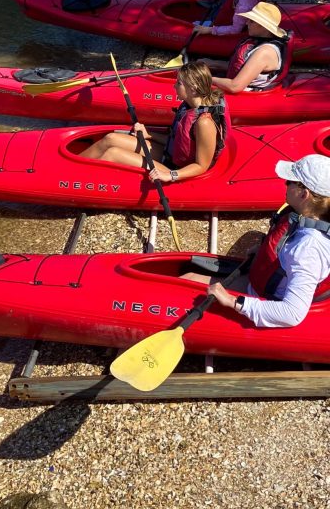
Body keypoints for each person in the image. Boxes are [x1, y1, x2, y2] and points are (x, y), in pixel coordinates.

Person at [196, 155, 330, 328]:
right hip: (262, 284)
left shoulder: (308, 248)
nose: (285, 183)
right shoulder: (312, 221)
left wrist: (232, 301)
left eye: (290, 181)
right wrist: (265, 251)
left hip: (264, 301)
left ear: (304, 194)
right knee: (189, 277)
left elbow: (292, 313)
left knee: (188, 282)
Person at [80, 61, 230, 184]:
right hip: (170, 154)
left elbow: (201, 166)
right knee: (110, 139)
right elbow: (179, 141)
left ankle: (80, 181)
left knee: (112, 154)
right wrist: (149, 135)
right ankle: (74, 167)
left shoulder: (204, 123)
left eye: (179, 83)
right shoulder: (190, 105)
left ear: (193, 89)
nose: (174, 86)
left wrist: (170, 175)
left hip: (178, 168)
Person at [201, 2, 292, 94]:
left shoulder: (264, 52)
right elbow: (241, 67)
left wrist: (206, 79)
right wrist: (212, 63)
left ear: (264, 26)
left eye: (251, 21)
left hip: (246, 96)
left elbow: (235, 86)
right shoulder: (260, 44)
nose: (247, 23)